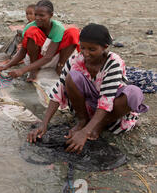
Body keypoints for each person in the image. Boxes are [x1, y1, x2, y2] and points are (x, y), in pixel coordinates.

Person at [27, 23, 149, 154]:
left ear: (105, 48)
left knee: (134, 93)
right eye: (82, 47)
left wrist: (86, 132)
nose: (85, 53)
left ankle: (99, 126)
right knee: (71, 76)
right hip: (87, 107)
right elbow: (59, 90)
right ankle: (82, 120)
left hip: (112, 109)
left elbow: (106, 100)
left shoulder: (114, 63)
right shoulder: (75, 60)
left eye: (92, 49)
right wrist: (44, 124)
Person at [0, 0, 80, 82]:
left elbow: (48, 57)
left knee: (73, 32)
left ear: (51, 15)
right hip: (35, 60)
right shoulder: (30, 27)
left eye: (42, 15)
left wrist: (22, 70)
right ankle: (34, 69)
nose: (37, 18)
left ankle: (60, 66)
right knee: (32, 32)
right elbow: (23, 51)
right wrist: (6, 66)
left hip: (53, 59)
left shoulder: (57, 28)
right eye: (36, 15)